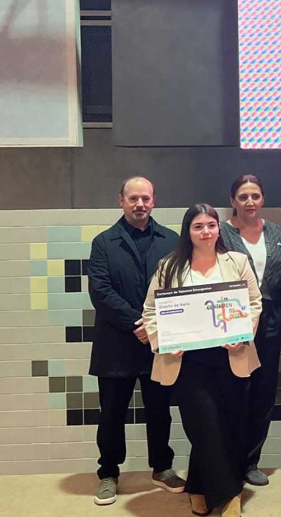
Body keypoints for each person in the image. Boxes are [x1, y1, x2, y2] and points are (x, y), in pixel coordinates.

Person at [143, 204, 263, 517]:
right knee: (203, 426)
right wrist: (165, 343)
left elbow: (253, 304)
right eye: (198, 226)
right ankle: (231, 492)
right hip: (187, 363)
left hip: (231, 356)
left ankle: (198, 486)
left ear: (218, 229)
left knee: (230, 424)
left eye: (211, 225)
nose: (206, 231)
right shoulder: (169, 266)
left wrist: (243, 333)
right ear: (188, 231)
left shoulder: (236, 262)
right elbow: (150, 313)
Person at [88, 176, 184, 506]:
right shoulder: (103, 243)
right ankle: (108, 473)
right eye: (133, 198)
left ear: (154, 200)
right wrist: (137, 322)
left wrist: (153, 327)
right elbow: (100, 292)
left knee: (160, 411)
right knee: (111, 413)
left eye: (145, 198)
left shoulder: (171, 240)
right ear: (121, 201)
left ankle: (163, 467)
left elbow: (177, 290)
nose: (139, 204)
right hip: (116, 346)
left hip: (158, 345)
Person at [219, 175, 281, 487]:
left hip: (272, 320)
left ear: (262, 199)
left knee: (263, 394)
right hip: (233, 320)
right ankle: (228, 461)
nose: (250, 202)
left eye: (255, 196)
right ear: (233, 200)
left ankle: (251, 462)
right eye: (243, 196)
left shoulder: (275, 231)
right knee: (235, 392)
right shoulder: (221, 231)